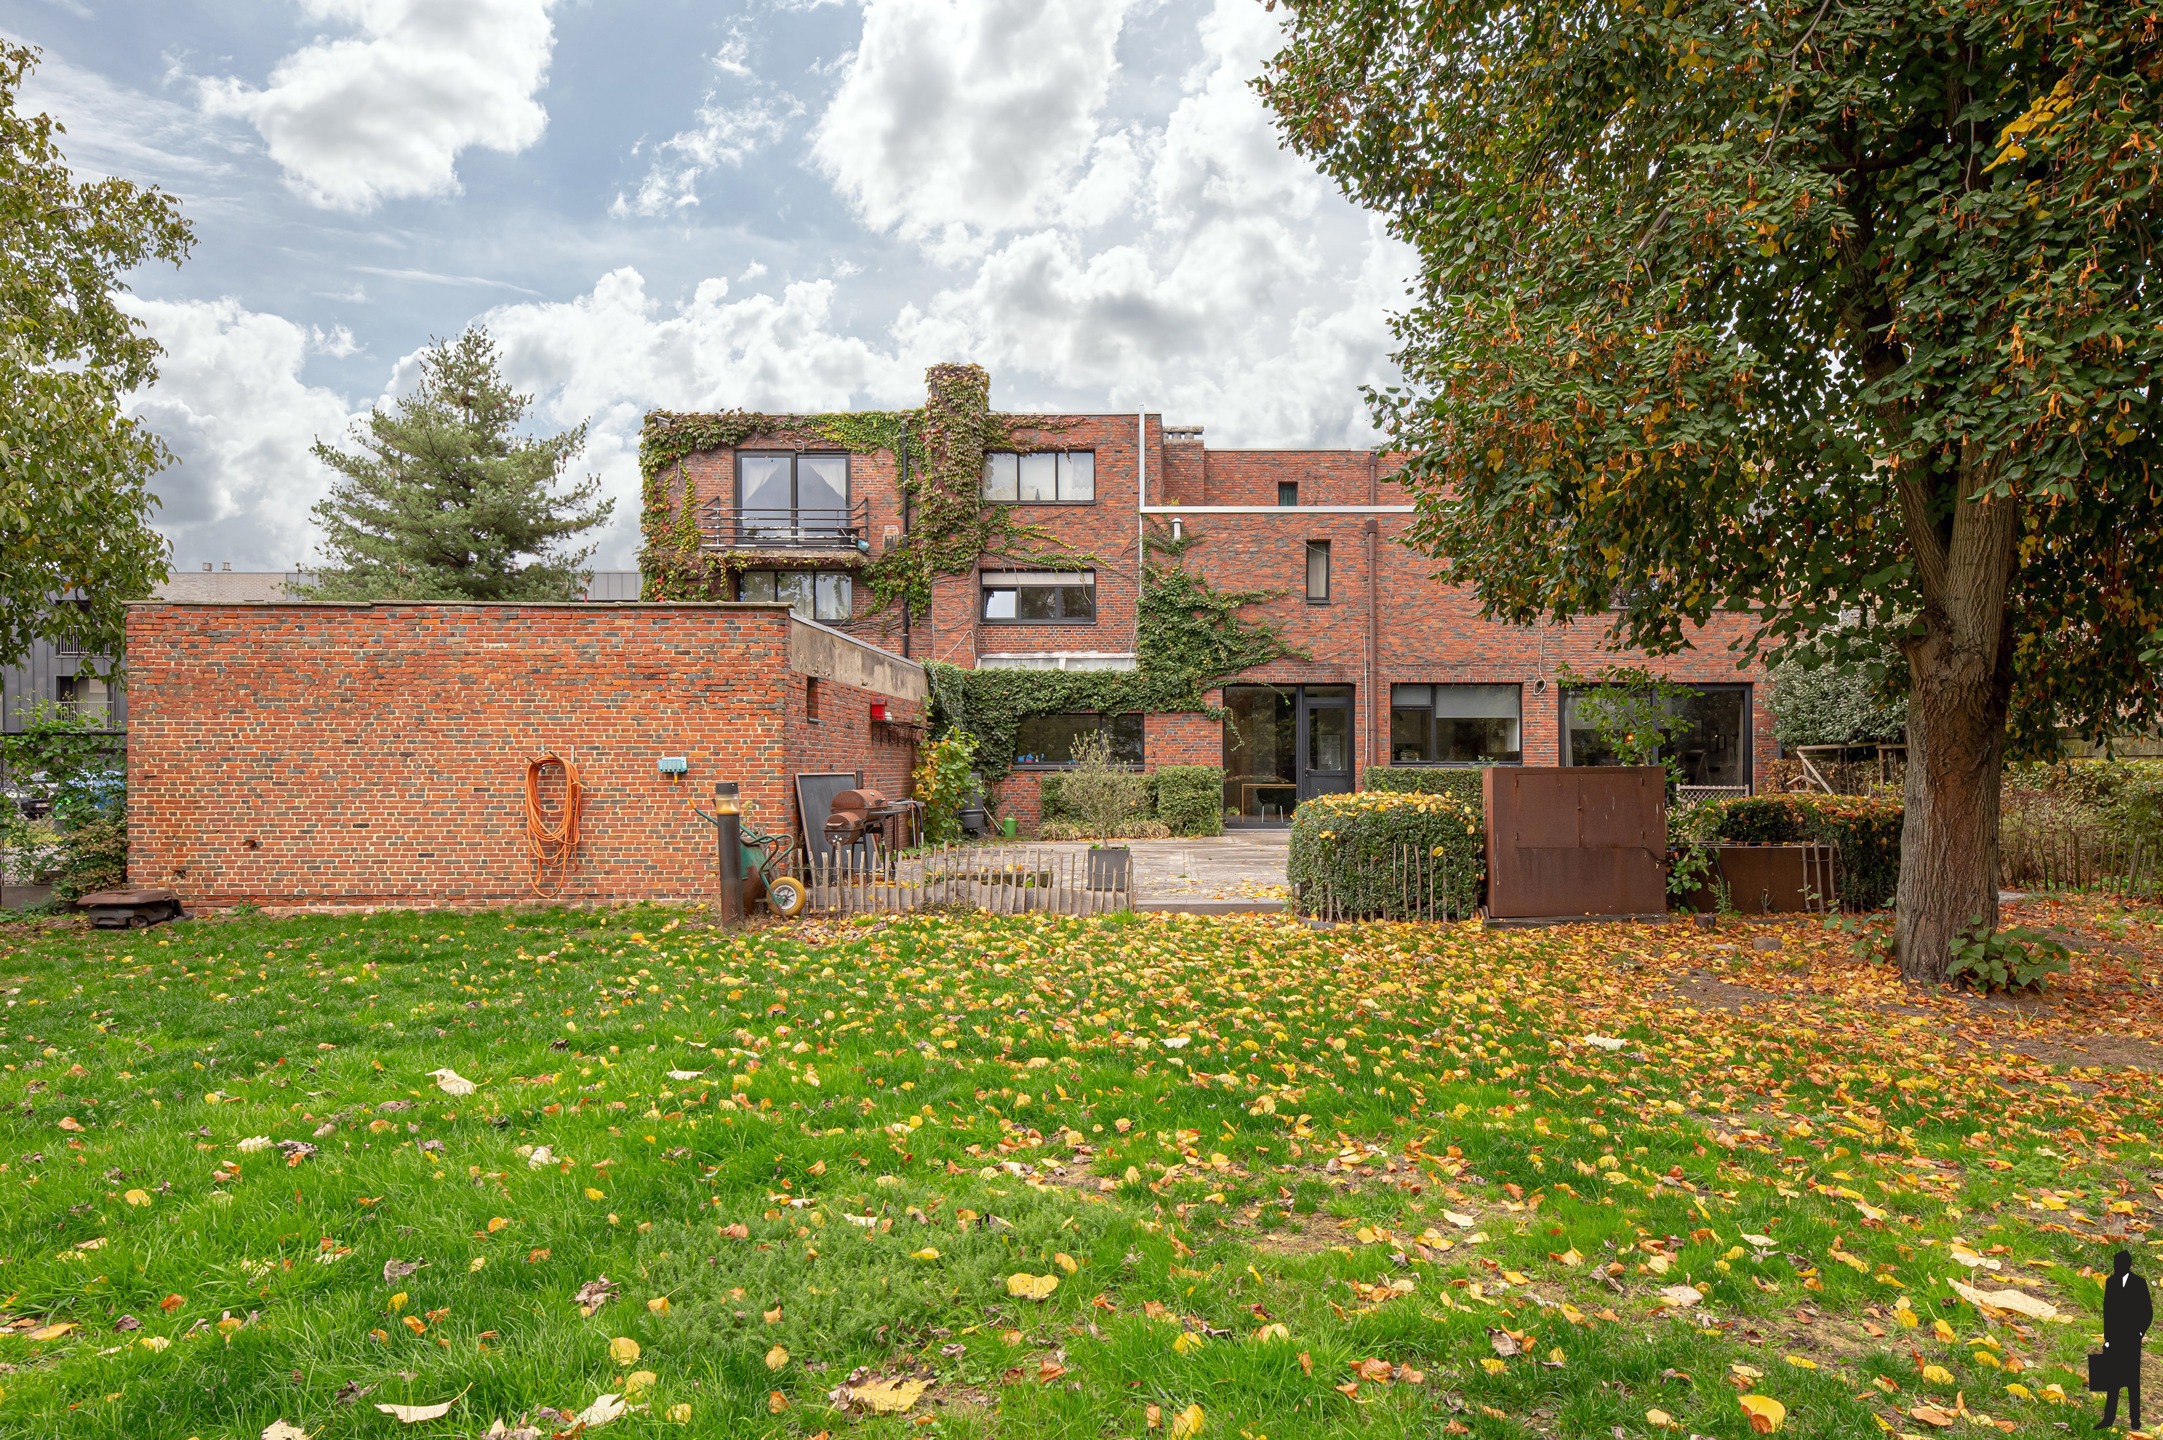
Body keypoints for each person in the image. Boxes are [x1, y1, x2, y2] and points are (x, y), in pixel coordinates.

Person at [2100, 1249, 2152, 1431]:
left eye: (2120, 1264)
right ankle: (2108, 1418)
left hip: (2131, 1339)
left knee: (2132, 1381)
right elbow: (2108, 1312)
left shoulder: (2139, 1283)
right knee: (2112, 1380)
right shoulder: (2111, 1282)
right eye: (2116, 1264)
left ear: (2128, 1265)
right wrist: (2107, 1338)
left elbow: (2147, 1311)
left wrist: (2139, 1333)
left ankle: (2135, 1420)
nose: (2117, 1267)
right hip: (2115, 1338)